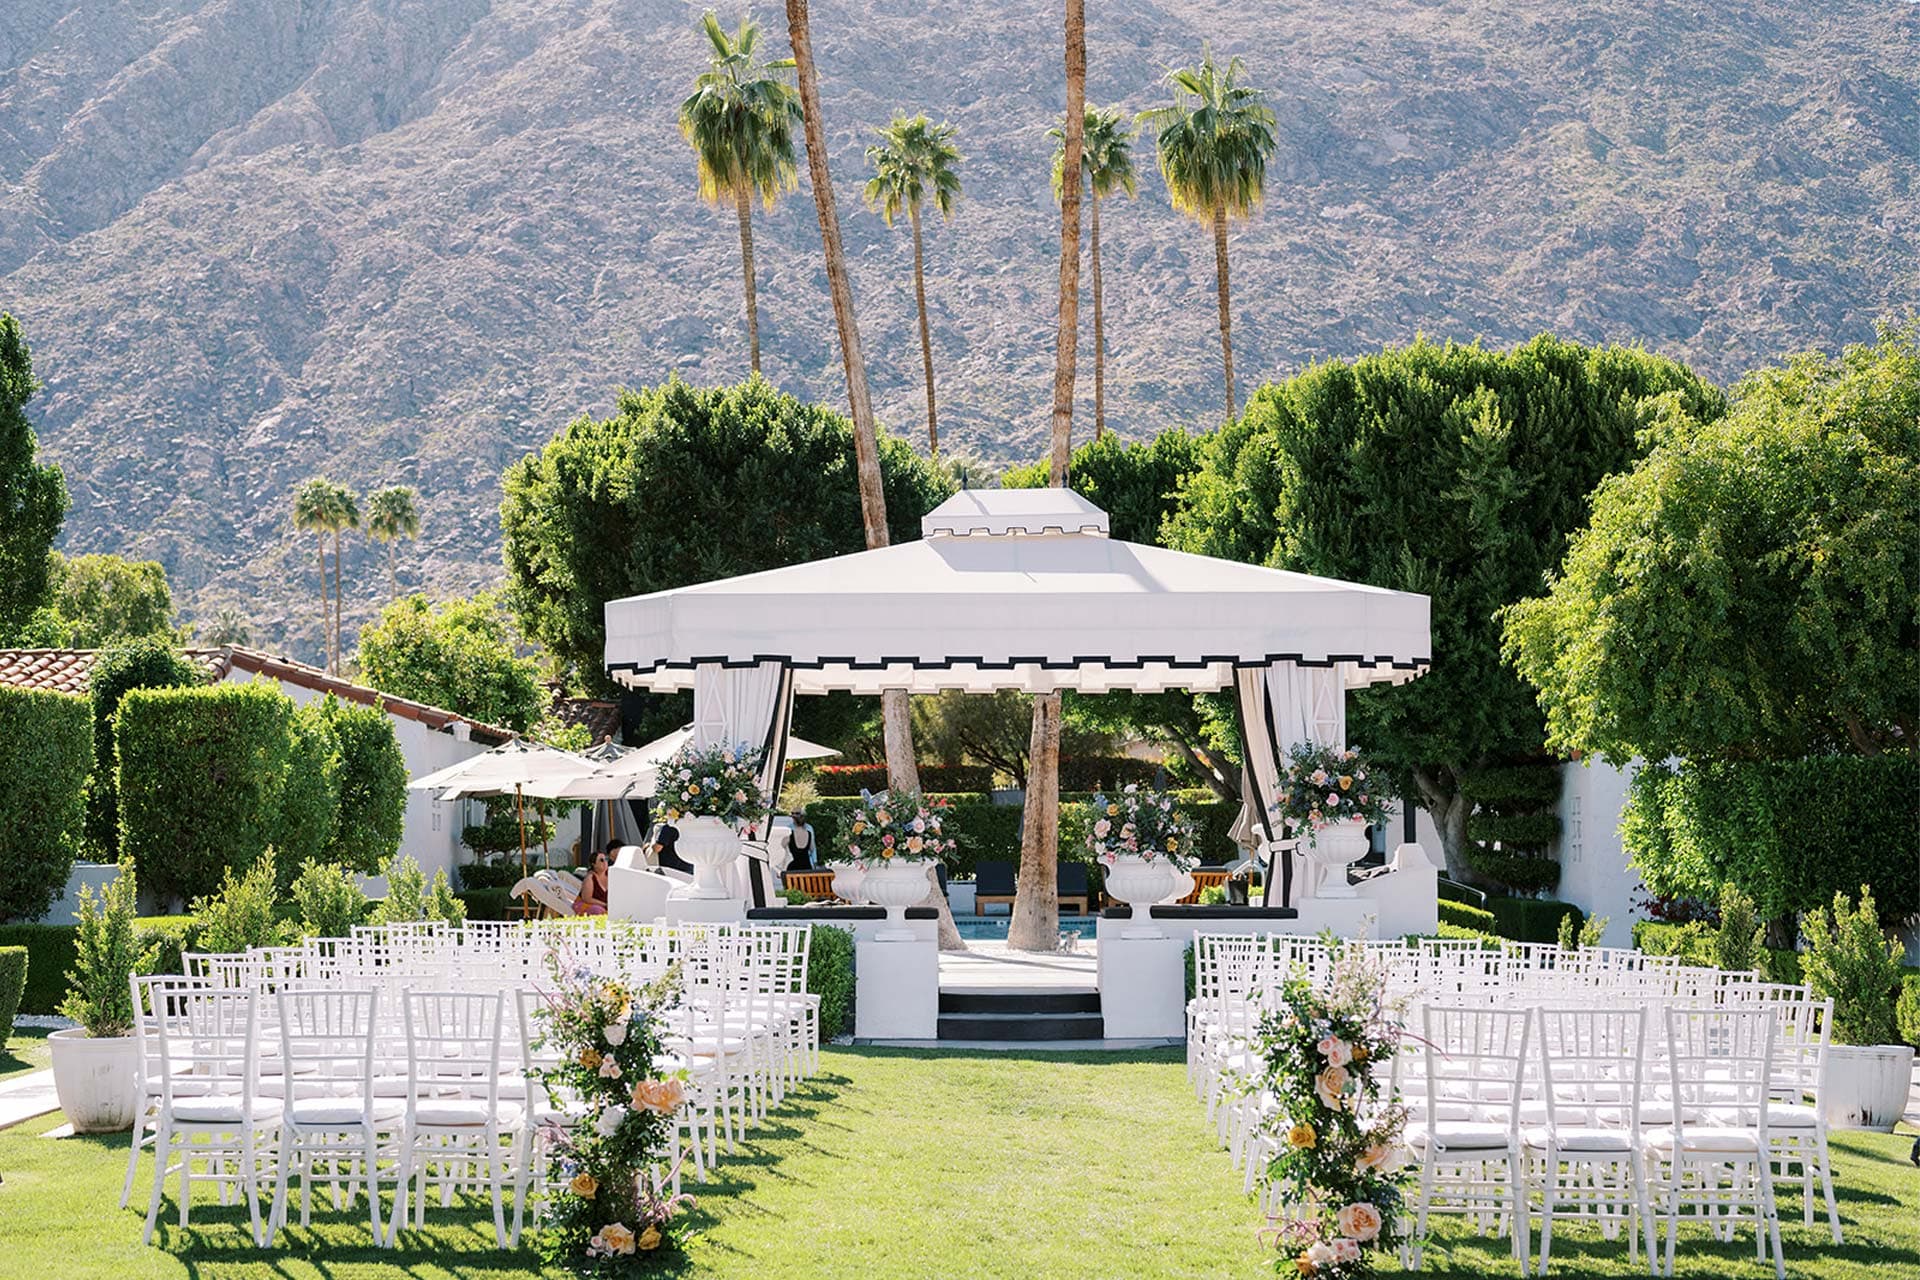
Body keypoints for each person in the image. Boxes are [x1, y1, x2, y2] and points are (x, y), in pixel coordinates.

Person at [572, 844, 613, 916]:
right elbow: (587, 898)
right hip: (588, 904)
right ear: (594, 864)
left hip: (604, 906)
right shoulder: (590, 878)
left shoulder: (610, 875)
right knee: (597, 910)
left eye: (606, 859)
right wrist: (605, 904)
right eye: (601, 860)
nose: (605, 862)